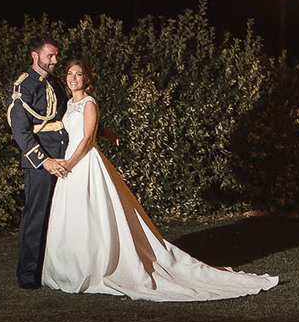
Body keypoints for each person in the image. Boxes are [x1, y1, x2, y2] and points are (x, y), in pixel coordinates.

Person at [40, 59, 280, 301]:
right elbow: (83, 129)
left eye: (78, 74)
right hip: (69, 161)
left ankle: (98, 266)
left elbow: (88, 139)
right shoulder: (70, 103)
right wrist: (100, 137)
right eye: (70, 74)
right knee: (74, 215)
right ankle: (74, 266)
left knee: (94, 213)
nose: (73, 78)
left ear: (86, 79)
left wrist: (69, 164)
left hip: (83, 162)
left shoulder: (90, 103)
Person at [6, 39, 70, 289]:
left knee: (60, 216)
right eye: (50, 56)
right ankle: (28, 275)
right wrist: (44, 161)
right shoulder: (22, 87)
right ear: (35, 55)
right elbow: (20, 131)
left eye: (56, 56)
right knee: (36, 216)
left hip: (63, 156)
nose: (55, 61)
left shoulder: (53, 83)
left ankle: (52, 270)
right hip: (41, 161)